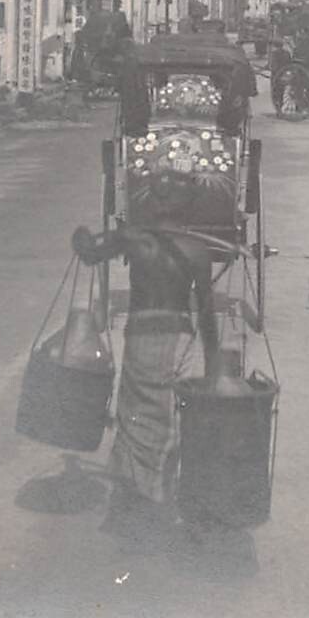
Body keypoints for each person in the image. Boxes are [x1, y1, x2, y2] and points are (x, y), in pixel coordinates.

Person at [72, 171, 220, 535]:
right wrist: (214, 364)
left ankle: (136, 495)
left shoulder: (133, 240)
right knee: (168, 416)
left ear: (154, 202)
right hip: (178, 337)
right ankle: (160, 493)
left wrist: (80, 235)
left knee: (136, 416)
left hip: (141, 336)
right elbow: (206, 313)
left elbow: (89, 253)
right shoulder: (196, 250)